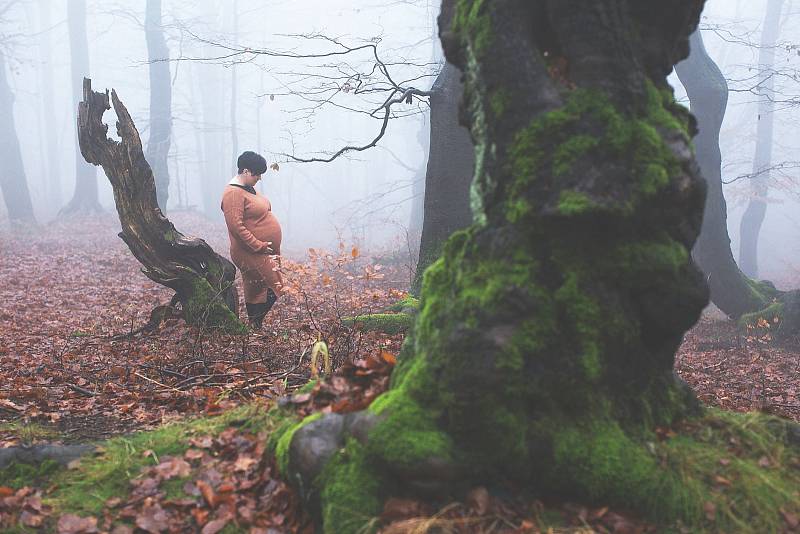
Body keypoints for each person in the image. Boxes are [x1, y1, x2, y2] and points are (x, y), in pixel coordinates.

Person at [221, 151, 283, 328]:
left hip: (263, 249)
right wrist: (259, 245)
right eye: (257, 174)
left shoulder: (249, 189)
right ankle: (255, 324)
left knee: (257, 287)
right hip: (249, 250)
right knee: (272, 285)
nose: (259, 178)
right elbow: (236, 227)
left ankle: (255, 326)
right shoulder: (233, 193)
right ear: (246, 171)